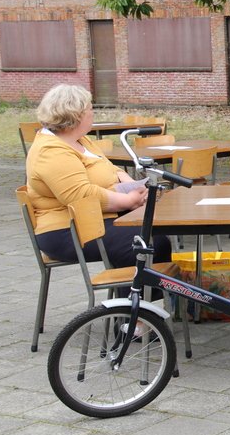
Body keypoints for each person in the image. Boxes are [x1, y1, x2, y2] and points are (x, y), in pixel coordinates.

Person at [25, 84, 172, 290]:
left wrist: (128, 183)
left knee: (153, 234)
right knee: (147, 242)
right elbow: (81, 195)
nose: (93, 113)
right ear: (74, 115)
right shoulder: (50, 151)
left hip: (96, 220)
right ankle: (136, 316)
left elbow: (108, 167)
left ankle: (137, 310)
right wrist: (128, 200)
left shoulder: (79, 140)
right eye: (89, 109)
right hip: (67, 230)